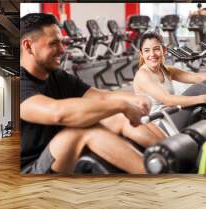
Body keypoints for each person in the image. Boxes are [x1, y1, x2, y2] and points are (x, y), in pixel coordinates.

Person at [20, 13, 165, 175]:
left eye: (61, 42)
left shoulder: (57, 76)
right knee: (83, 130)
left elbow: (102, 97)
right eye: (53, 44)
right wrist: (121, 105)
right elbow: (57, 113)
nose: (62, 50)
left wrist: (136, 99)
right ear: (28, 46)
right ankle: (159, 178)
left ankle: (172, 155)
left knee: (119, 117)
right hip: (31, 168)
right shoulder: (19, 84)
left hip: (59, 150)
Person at [133, 31, 206, 116]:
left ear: (163, 50)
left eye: (156, 49)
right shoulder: (143, 75)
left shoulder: (166, 70)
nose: (152, 54)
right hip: (158, 123)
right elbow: (167, 100)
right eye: (147, 51)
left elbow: (198, 77)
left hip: (171, 114)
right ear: (142, 54)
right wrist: (205, 98)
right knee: (198, 90)